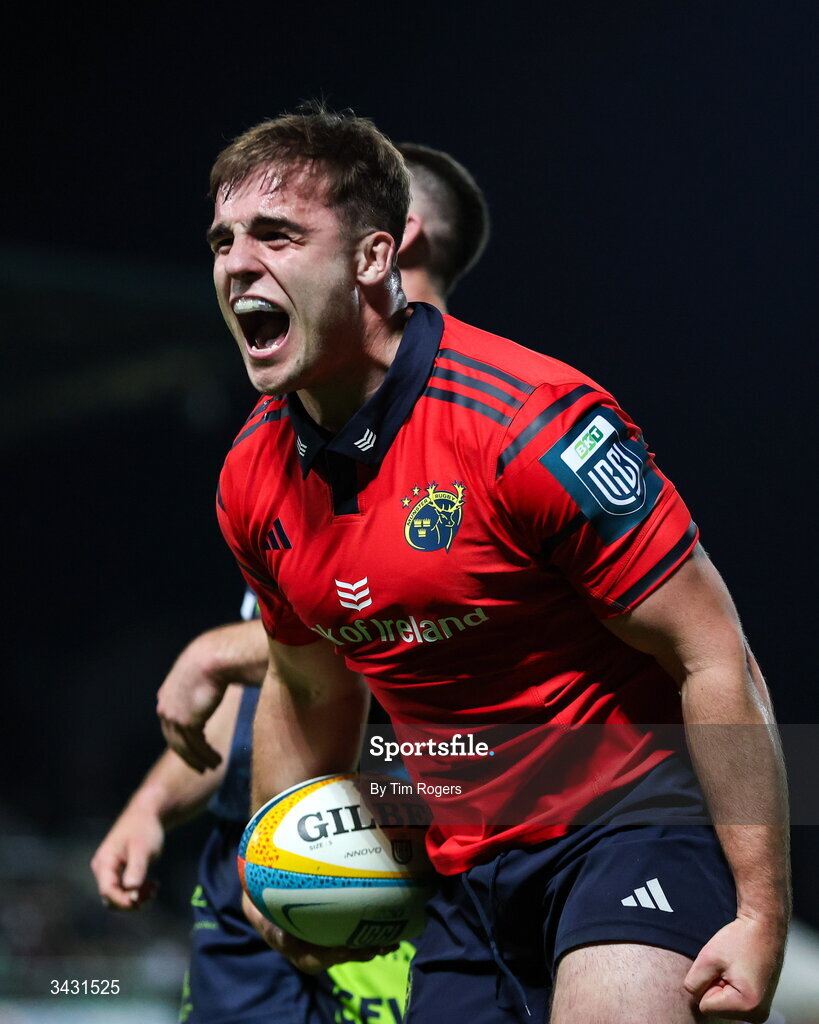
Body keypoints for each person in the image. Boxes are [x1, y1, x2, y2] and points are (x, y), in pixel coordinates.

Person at [189, 106, 790, 1024]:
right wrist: (280, 872)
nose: (237, 262)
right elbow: (309, 690)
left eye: (277, 233)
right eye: (224, 239)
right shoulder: (248, 477)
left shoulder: (530, 422)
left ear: (372, 258)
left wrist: (758, 912)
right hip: (462, 865)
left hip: (629, 828)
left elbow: (712, 655)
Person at [92, 139, 490, 1024]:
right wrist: (156, 801)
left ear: (386, 241)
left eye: (286, 230)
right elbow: (293, 667)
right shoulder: (283, 437)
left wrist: (216, 650)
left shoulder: (488, 430)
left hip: (403, 861)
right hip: (262, 854)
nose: (251, 257)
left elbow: (422, 633)